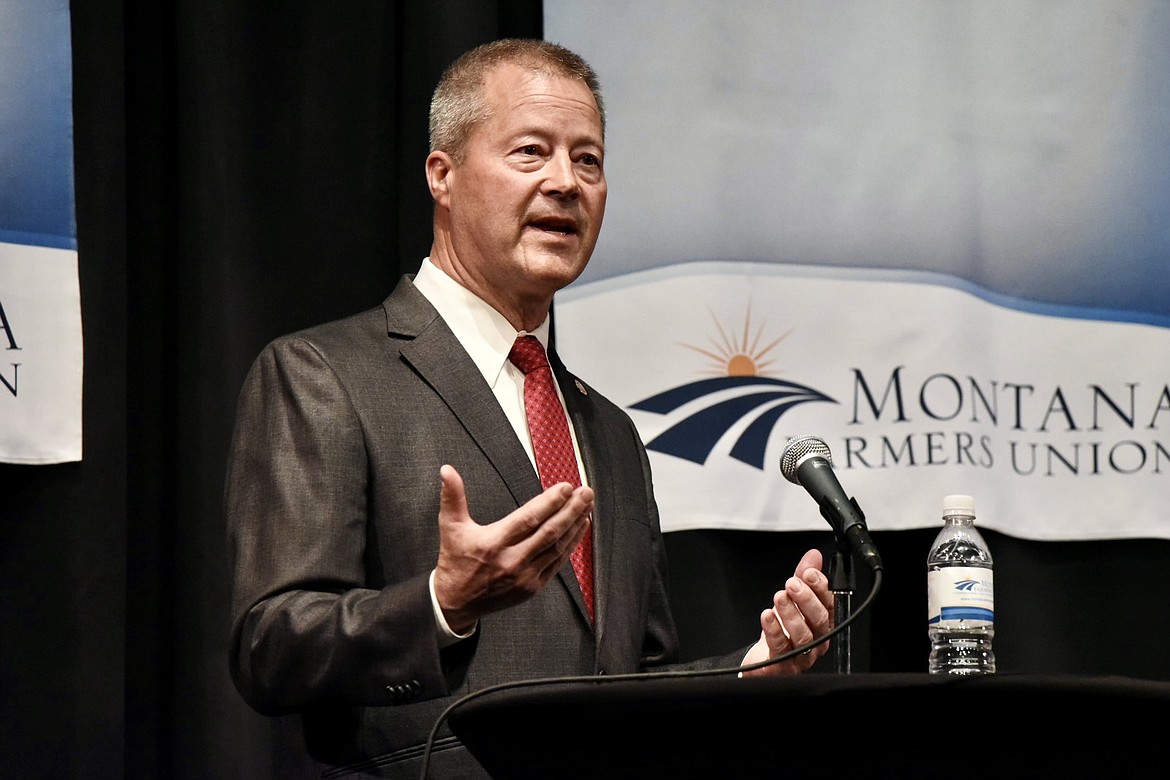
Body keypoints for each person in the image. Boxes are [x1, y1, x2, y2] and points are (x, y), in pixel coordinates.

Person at [226, 38, 835, 779]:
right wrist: (440, 603)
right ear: (442, 175)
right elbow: (271, 646)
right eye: (530, 152)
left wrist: (751, 673)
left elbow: (625, 686)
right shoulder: (325, 374)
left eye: (588, 160)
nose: (566, 182)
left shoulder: (607, 430)